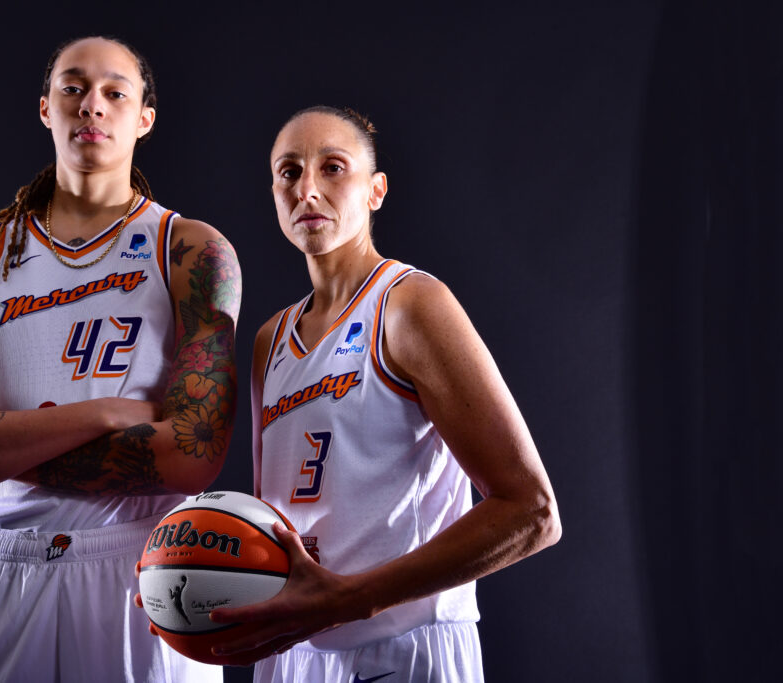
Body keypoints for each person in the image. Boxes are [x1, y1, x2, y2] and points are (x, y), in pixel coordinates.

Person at [0, 35, 240, 682]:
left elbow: (191, 456)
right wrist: (108, 412)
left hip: (142, 572)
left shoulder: (191, 250)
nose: (92, 106)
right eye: (72, 88)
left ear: (144, 118)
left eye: (115, 92)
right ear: (46, 108)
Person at [206, 106, 561, 681]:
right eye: (289, 172)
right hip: (294, 643)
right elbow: (273, 521)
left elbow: (533, 512)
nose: (309, 189)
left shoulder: (409, 303)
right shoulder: (270, 339)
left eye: (333, 167)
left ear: (376, 191)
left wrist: (349, 600)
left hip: (401, 644)